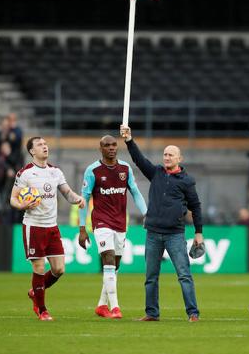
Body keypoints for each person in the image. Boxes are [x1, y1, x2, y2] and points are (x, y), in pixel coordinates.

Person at [120, 125, 202, 322]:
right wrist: (129, 140)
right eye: (165, 154)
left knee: (184, 275)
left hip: (175, 234)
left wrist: (199, 233)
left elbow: (196, 207)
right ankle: (152, 313)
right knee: (150, 277)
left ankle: (193, 313)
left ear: (179, 159)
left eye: (171, 155)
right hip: (153, 233)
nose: (167, 157)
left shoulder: (187, 181)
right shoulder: (156, 172)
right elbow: (139, 160)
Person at [10, 137, 86, 321]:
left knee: (59, 269)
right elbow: (13, 198)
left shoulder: (55, 172)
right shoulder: (25, 173)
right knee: (38, 266)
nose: (45, 147)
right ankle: (42, 309)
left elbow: (66, 192)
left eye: (45, 144)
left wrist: (78, 199)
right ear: (31, 151)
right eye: (39, 145)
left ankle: (34, 292)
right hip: (34, 226)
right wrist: (21, 205)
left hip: (52, 227)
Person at [78, 135, 148, 319]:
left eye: (114, 145)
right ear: (100, 148)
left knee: (114, 266)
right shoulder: (92, 170)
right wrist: (82, 228)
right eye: (107, 145)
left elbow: (136, 192)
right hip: (101, 222)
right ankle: (116, 308)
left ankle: (102, 306)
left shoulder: (125, 168)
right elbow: (83, 199)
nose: (111, 148)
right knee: (107, 259)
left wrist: (146, 213)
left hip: (120, 222)